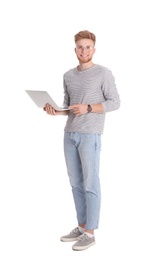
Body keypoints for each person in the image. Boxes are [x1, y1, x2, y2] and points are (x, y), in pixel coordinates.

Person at [43, 30, 120, 251]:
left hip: (90, 135)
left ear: (94, 50)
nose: (84, 51)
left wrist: (88, 108)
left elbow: (115, 102)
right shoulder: (68, 75)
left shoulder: (103, 73)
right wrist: (56, 111)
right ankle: (81, 225)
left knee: (90, 183)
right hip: (69, 135)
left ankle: (91, 233)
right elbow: (68, 105)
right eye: (80, 47)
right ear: (74, 49)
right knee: (76, 183)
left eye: (88, 47)